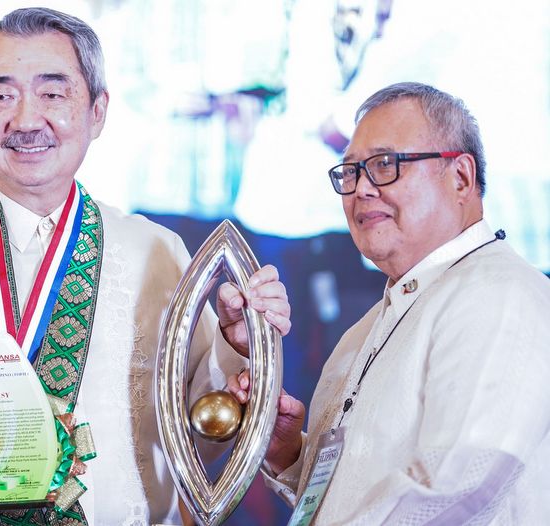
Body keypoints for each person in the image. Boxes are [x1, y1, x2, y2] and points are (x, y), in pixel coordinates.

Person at [0, 7, 291, 525]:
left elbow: (203, 434)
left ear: (97, 111)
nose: (27, 119)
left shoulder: (157, 253)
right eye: (1, 95)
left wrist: (240, 346)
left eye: (53, 94)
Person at [229, 82, 550, 524]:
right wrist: (290, 454)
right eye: (350, 172)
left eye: (385, 165)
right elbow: (360, 488)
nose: (360, 189)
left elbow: (456, 487)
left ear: (460, 177)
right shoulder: (369, 326)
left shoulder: (500, 294)